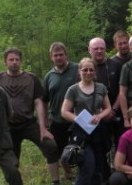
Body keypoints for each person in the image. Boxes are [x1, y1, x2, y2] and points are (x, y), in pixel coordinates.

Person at [0, 47, 60, 184]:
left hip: (29, 124)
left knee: (51, 146)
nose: (14, 62)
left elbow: (38, 102)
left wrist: (43, 128)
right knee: (12, 161)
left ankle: (56, 181)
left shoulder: (31, 78)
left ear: (21, 61)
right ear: (5, 62)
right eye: (11, 60)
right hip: (7, 127)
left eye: (17, 59)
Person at [61, 58, 113, 184]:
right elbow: (64, 111)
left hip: (98, 132)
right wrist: (78, 119)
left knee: (99, 166)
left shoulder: (101, 88)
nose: (88, 72)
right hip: (81, 134)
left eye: (91, 70)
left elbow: (108, 108)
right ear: (79, 71)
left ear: (95, 71)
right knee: (87, 165)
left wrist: (100, 116)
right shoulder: (72, 90)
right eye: (85, 70)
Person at [88, 37, 123, 180]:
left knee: (121, 144)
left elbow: (123, 90)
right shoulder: (86, 68)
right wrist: (102, 113)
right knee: (101, 148)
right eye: (95, 48)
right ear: (89, 50)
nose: (99, 51)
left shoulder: (116, 65)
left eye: (101, 48)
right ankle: (104, 176)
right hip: (96, 116)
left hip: (118, 111)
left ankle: (121, 175)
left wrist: (112, 109)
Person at [43, 42, 79, 181]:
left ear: (66, 55)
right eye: (55, 55)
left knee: (78, 147)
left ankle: (83, 170)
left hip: (77, 117)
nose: (59, 57)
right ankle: (68, 172)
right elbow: (44, 100)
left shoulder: (77, 69)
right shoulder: (49, 76)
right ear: (51, 57)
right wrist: (45, 120)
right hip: (57, 119)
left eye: (61, 54)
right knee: (59, 149)